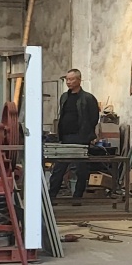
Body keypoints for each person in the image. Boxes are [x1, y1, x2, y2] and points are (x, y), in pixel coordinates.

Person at [51, 69, 101, 198]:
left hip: (80, 138)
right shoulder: (64, 97)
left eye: (71, 79)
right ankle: (51, 195)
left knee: (81, 169)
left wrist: (86, 133)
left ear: (79, 80)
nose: (68, 82)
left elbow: (94, 117)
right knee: (59, 168)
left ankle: (78, 196)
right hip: (65, 137)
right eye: (67, 79)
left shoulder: (88, 98)